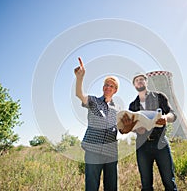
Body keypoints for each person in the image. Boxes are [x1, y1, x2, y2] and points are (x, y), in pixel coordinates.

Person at [120, 73, 177, 191]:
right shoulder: (132, 105)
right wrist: (136, 128)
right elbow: (131, 126)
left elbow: (173, 114)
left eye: (141, 79)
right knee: (146, 184)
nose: (139, 82)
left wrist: (166, 118)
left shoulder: (159, 97)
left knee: (169, 181)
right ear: (134, 85)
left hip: (160, 142)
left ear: (146, 82)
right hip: (142, 146)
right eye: (136, 80)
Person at [74, 57, 119, 191]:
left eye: (111, 86)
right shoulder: (94, 101)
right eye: (106, 85)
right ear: (103, 87)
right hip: (93, 150)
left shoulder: (118, 109)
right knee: (92, 185)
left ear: (115, 90)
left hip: (111, 152)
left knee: (111, 186)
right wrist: (79, 78)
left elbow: (122, 128)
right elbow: (79, 94)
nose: (108, 87)